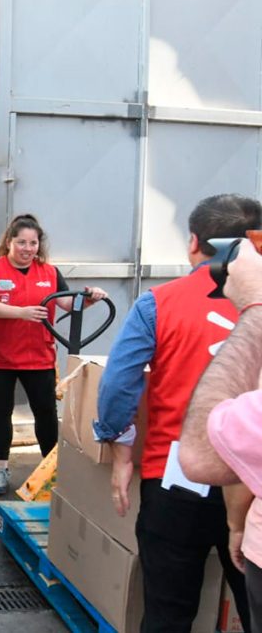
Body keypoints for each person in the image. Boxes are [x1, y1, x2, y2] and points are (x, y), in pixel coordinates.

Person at [95, 194, 260, 632]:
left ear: (194, 243)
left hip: (177, 476)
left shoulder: (160, 302)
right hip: (254, 481)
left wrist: (120, 448)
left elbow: (118, 384)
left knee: (168, 611)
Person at [0, 213, 106, 494]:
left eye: (33, 243)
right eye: (21, 242)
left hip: (38, 356)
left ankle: (53, 471)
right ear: (9, 242)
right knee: (1, 413)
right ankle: (0, 469)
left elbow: (70, 305)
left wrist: (90, 298)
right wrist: (20, 313)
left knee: (45, 414)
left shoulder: (49, 272)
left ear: (39, 245)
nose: (27, 249)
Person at [180, 238, 262, 628]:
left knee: (170, 602)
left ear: (195, 242)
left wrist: (256, 310)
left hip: (179, 485)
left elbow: (207, 454)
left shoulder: (161, 301)